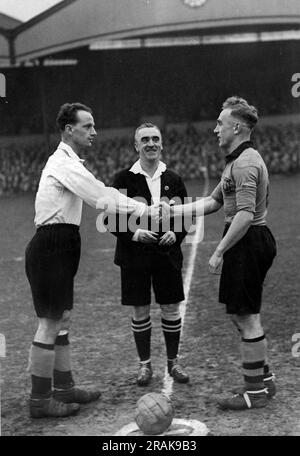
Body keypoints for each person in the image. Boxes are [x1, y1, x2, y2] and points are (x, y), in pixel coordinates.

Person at [25, 103, 157, 418]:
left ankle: (64, 387)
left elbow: (101, 191)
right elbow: (100, 196)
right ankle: (40, 400)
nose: (94, 132)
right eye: (88, 126)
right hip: (51, 244)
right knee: (49, 323)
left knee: (62, 320)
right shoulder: (62, 162)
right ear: (69, 129)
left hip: (63, 242)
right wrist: (144, 210)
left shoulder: (71, 162)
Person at [160, 97, 277, 410]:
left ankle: (254, 393)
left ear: (236, 127)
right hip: (245, 240)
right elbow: (213, 203)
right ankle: (264, 380)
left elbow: (245, 214)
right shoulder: (233, 162)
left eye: (220, 123)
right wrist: (173, 211)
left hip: (248, 240)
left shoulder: (247, 162)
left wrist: (219, 251)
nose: (215, 129)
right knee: (242, 315)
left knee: (247, 317)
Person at [106, 123, 190, 386]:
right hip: (134, 256)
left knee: (170, 308)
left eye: (155, 139)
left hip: (166, 254)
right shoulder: (123, 179)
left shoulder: (174, 178)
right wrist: (133, 234)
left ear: (162, 144)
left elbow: (185, 216)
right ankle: (145, 366)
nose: (151, 143)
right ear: (136, 145)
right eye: (145, 140)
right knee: (140, 309)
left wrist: (175, 235)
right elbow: (110, 219)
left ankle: (173, 363)